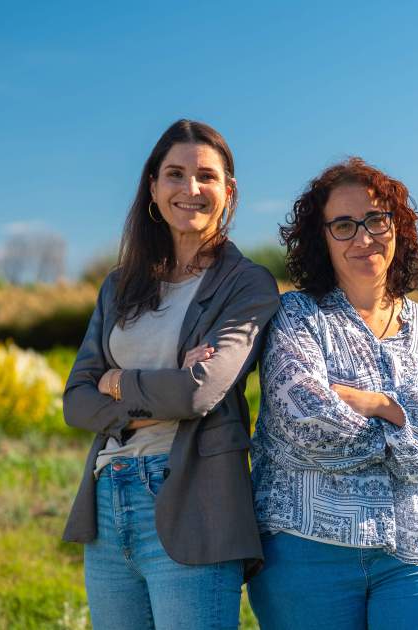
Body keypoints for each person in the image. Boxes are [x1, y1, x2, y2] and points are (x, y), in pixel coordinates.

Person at [248, 157, 418, 630]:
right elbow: (307, 420)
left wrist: (383, 405)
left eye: (375, 220)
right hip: (306, 552)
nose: (363, 238)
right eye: (343, 225)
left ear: (397, 226)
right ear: (322, 238)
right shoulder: (297, 317)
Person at [62, 119, 279, 630]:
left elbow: (195, 394)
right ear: (154, 187)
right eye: (175, 174)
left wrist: (117, 381)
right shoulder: (119, 285)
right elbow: (76, 400)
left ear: (229, 191)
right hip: (108, 498)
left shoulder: (247, 285)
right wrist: (155, 390)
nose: (190, 188)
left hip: (195, 501)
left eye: (206, 176)